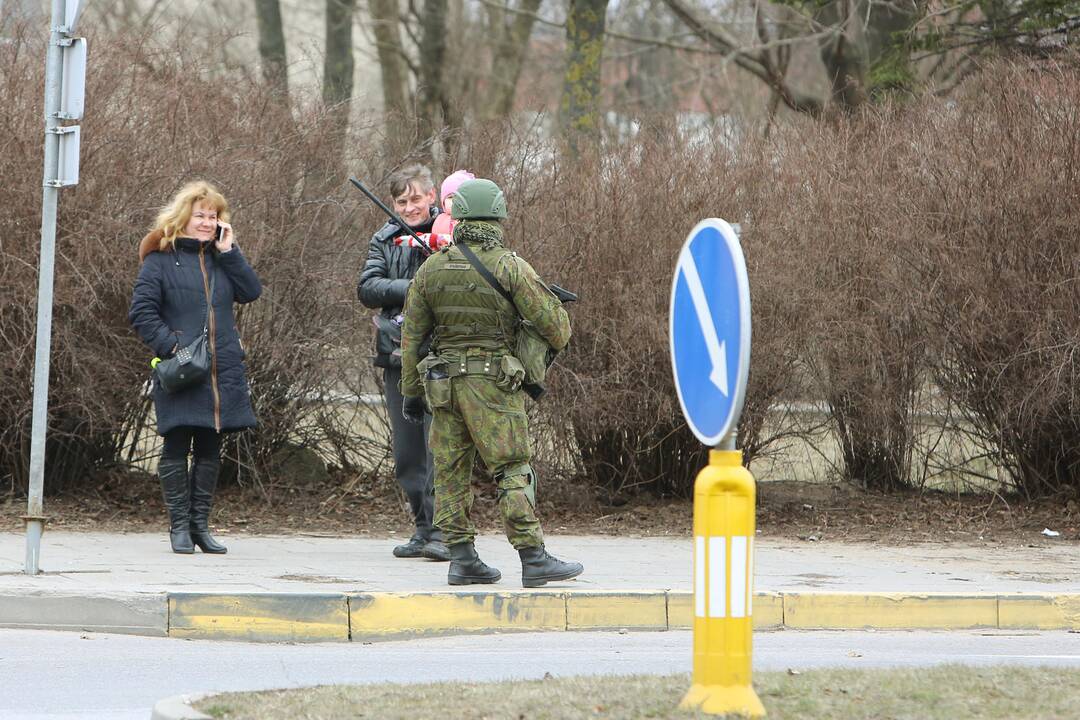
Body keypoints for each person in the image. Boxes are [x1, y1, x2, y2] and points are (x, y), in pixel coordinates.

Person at [399, 178, 584, 587]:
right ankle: (533, 557)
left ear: (457, 217)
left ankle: (462, 558)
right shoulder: (509, 265)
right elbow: (557, 329)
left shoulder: (432, 268)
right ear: (498, 217)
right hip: (494, 386)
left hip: (444, 386)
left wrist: (412, 394)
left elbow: (411, 337)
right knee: (512, 467)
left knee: (449, 471)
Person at [129, 181, 262, 554]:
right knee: (175, 444)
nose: (206, 222)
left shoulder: (223, 259)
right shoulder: (159, 259)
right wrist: (174, 347)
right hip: (182, 369)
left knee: (208, 448)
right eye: (200, 215)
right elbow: (141, 313)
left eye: (213, 215)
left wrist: (230, 251)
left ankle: (200, 527)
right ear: (183, 217)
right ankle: (179, 528)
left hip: (221, 372)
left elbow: (251, 292)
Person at [357, 164, 450, 562]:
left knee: (440, 448)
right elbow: (368, 287)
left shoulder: (451, 233)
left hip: (442, 357)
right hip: (397, 357)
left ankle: (446, 532)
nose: (409, 207)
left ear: (432, 196)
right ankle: (422, 528)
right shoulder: (385, 239)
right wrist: (414, 287)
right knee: (408, 453)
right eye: (401, 201)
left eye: (415, 198)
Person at [430, 169, 474, 238]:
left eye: (461, 198)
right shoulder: (439, 220)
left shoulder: (473, 220)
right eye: (450, 197)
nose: (455, 201)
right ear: (443, 202)